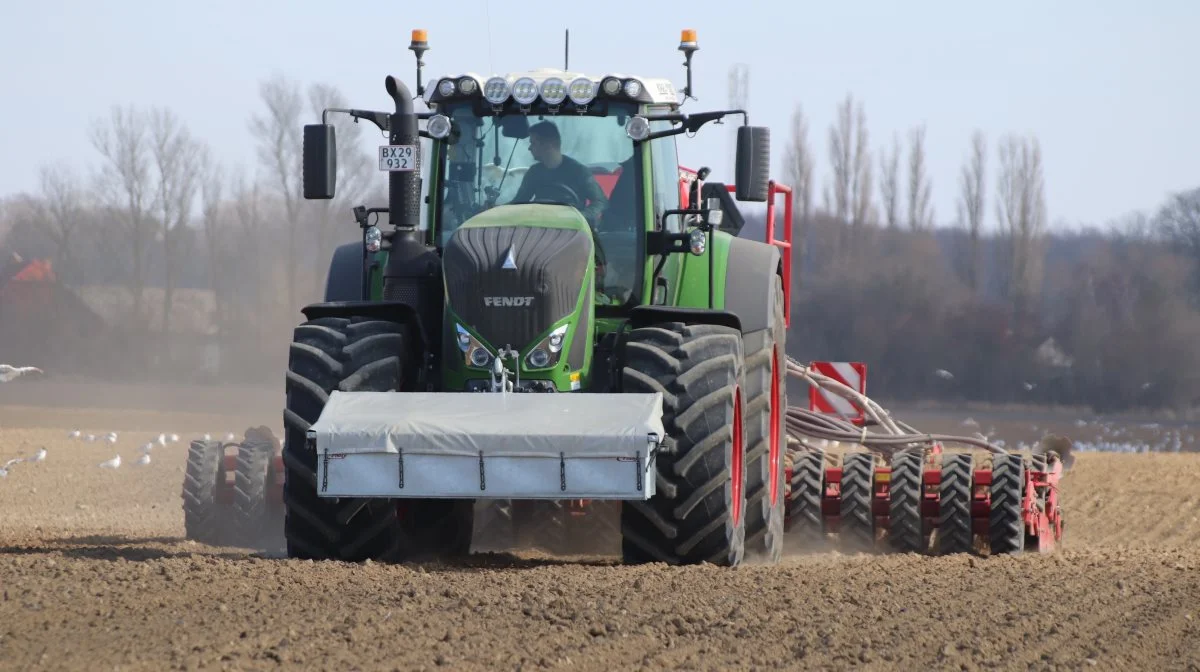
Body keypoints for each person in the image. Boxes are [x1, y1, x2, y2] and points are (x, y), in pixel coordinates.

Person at [509, 121, 608, 225]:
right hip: (540, 227)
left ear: (548, 145)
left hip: (572, 230)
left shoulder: (579, 172)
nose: (529, 148)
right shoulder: (534, 172)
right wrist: (496, 210)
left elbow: (600, 202)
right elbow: (518, 202)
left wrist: (579, 217)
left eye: (533, 143)